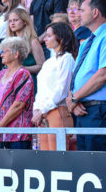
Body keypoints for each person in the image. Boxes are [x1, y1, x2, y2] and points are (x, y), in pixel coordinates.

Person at [67, 0, 106, 151]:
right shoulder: (88, 41)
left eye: (82, 10)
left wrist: (75, 98)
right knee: (84, 160)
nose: (78, 14)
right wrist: (71, 101)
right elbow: (77, 74)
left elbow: (103, 75)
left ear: (95, 12)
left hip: (99, 108)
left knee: (95, 162)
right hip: (82, 107)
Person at [33, 22, 77, 151]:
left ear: (61, 38)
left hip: (57, 110)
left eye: (49, 36)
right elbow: (41, 89)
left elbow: (62, 90)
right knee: (45, 156)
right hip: (43, 113)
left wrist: (42, 110)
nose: (45, 39)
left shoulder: (67, 58)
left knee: (57, 156)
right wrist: (37, 109)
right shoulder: (48, 62)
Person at [0, 37, 36, 149]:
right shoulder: (1, 74)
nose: (1, 54)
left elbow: (19, 105)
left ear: (16, 54)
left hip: (18, 134)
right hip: (1, 133)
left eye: (5, 51)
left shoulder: (23, 74)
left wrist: (0, 125)